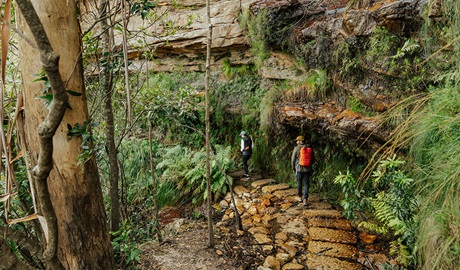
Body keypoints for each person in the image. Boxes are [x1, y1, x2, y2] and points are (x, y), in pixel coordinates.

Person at [291, 135, 315, 206]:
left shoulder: (296, 148)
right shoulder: (309, 148)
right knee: (306, 184)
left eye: (298, 140)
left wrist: (293, 168)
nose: (297, 142)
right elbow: (313, 159)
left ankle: (300, 197)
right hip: (307, 169)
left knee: (299, 183)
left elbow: (292, 160)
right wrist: (308, 164)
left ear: (301, 141)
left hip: (299, 169)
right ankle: (305, 200)